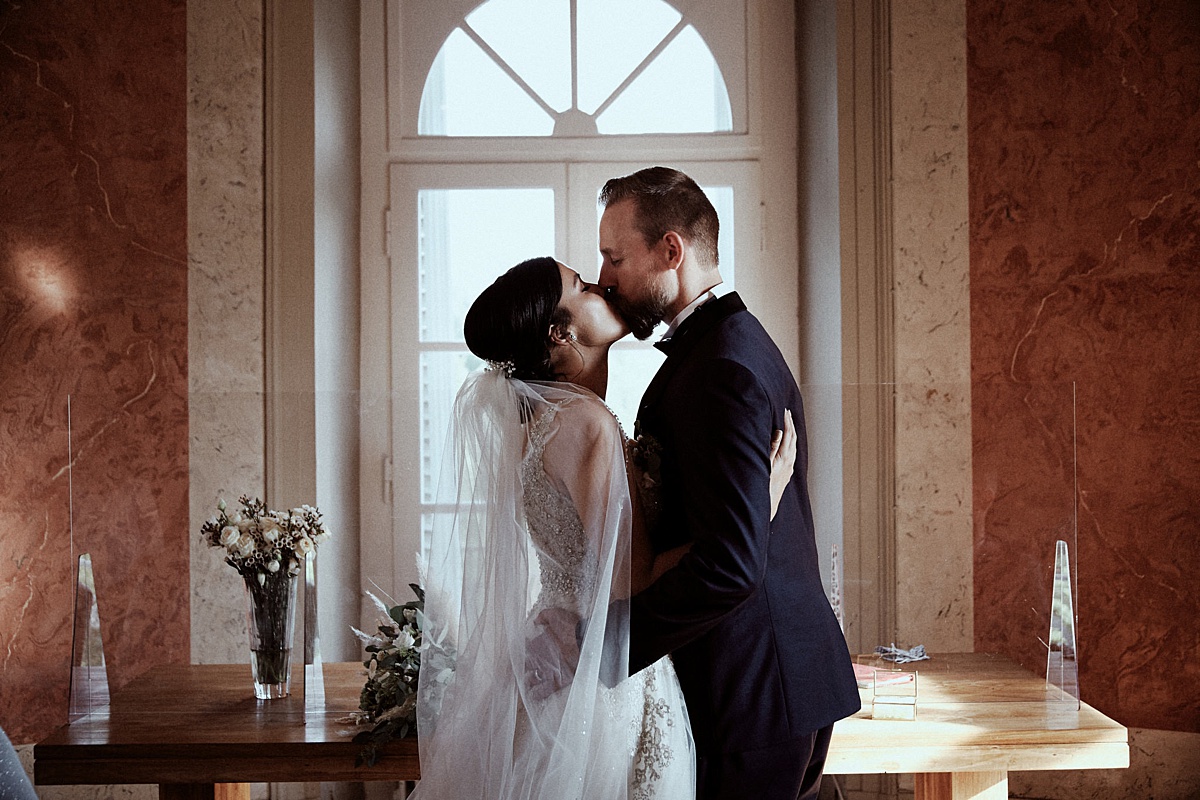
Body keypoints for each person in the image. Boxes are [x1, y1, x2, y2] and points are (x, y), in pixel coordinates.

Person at [411, 256, 796, 800]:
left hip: (558, 656)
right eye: (580, 285)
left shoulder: (537, 426)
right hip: (601, 675)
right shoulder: (587, 424)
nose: (600, 284)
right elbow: (630, 583)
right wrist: (760, 502)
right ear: (560, 333)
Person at [597, 166, 861, 800]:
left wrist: (605, 647)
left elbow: (731, 565)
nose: (604, 276)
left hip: (751, 691)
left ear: (670, 251)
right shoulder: (730, 346)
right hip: (767, 685)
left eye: (614, 256)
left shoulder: (721, 370)